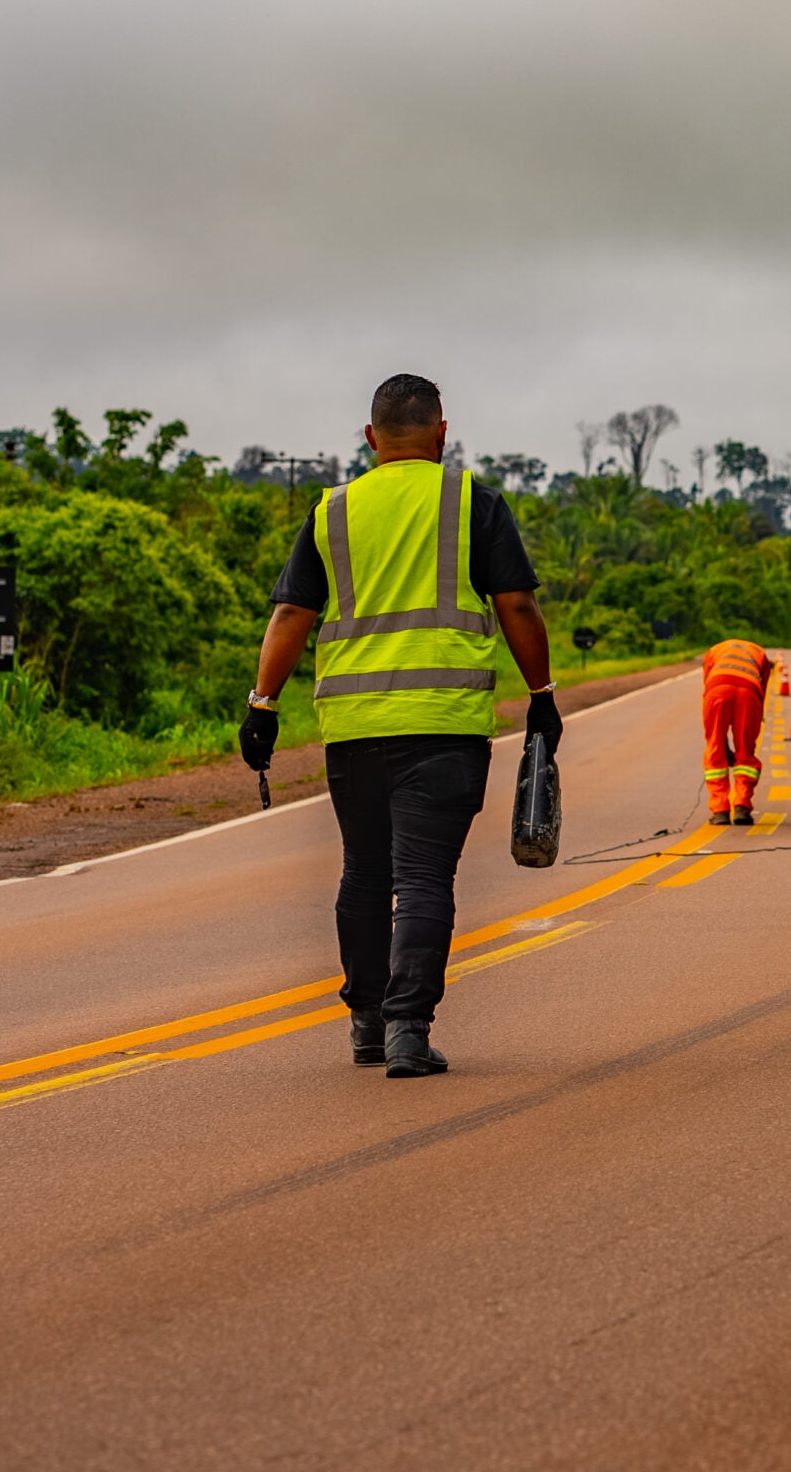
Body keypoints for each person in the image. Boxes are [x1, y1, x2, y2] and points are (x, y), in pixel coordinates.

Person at [240, 373, 563, 1078]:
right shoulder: (472, 503)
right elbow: (517, 606)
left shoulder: (333, 511)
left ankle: (366, 1022)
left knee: (364, 872)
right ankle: (407, 1032)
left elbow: (291, 614)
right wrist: (541, 694)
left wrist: (262, 705)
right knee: (422, 877)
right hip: (445, 722)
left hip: (353, 724)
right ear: (442, 435)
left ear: (370, 439)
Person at [698, 638, 777, 825]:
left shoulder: (714, 650)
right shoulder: (759, 653)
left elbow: (707, 685)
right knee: (745, 754)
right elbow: (762, 690)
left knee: (714, 749)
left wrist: (722, 743)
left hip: (717, 690)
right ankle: (742, 806)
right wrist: (751, 737)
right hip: (749, 693)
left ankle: (720, 811)